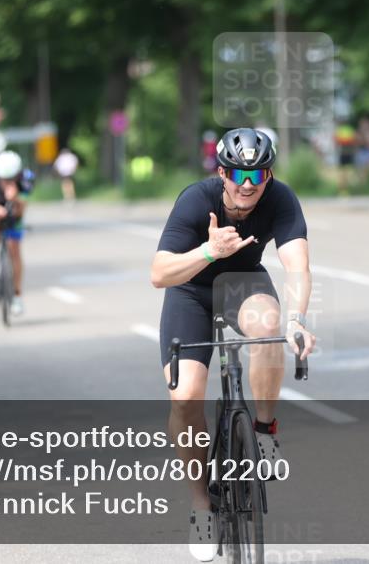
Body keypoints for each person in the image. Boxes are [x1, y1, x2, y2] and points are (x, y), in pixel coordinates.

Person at [150, 128, 317, 561]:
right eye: (239, 173)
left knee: (269, 325)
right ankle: (201, 506)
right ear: (222, 172)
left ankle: (263, 429)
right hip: (190, 291)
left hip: (243, 284)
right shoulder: (195, 200)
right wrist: (208, 251)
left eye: (258, 174)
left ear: (269, 175)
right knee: (185, 397)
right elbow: (159, 273)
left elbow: (296, 262)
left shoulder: (280, 199)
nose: (248, 183)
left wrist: (298, 318)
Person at [0, 150, 35, 316]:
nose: (8, 182)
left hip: (14, 206)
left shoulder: (25, 181)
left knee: (15, 248)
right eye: (4, 179)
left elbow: (21, 211)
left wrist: (15, 198)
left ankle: (17, 296)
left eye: (11, 179)